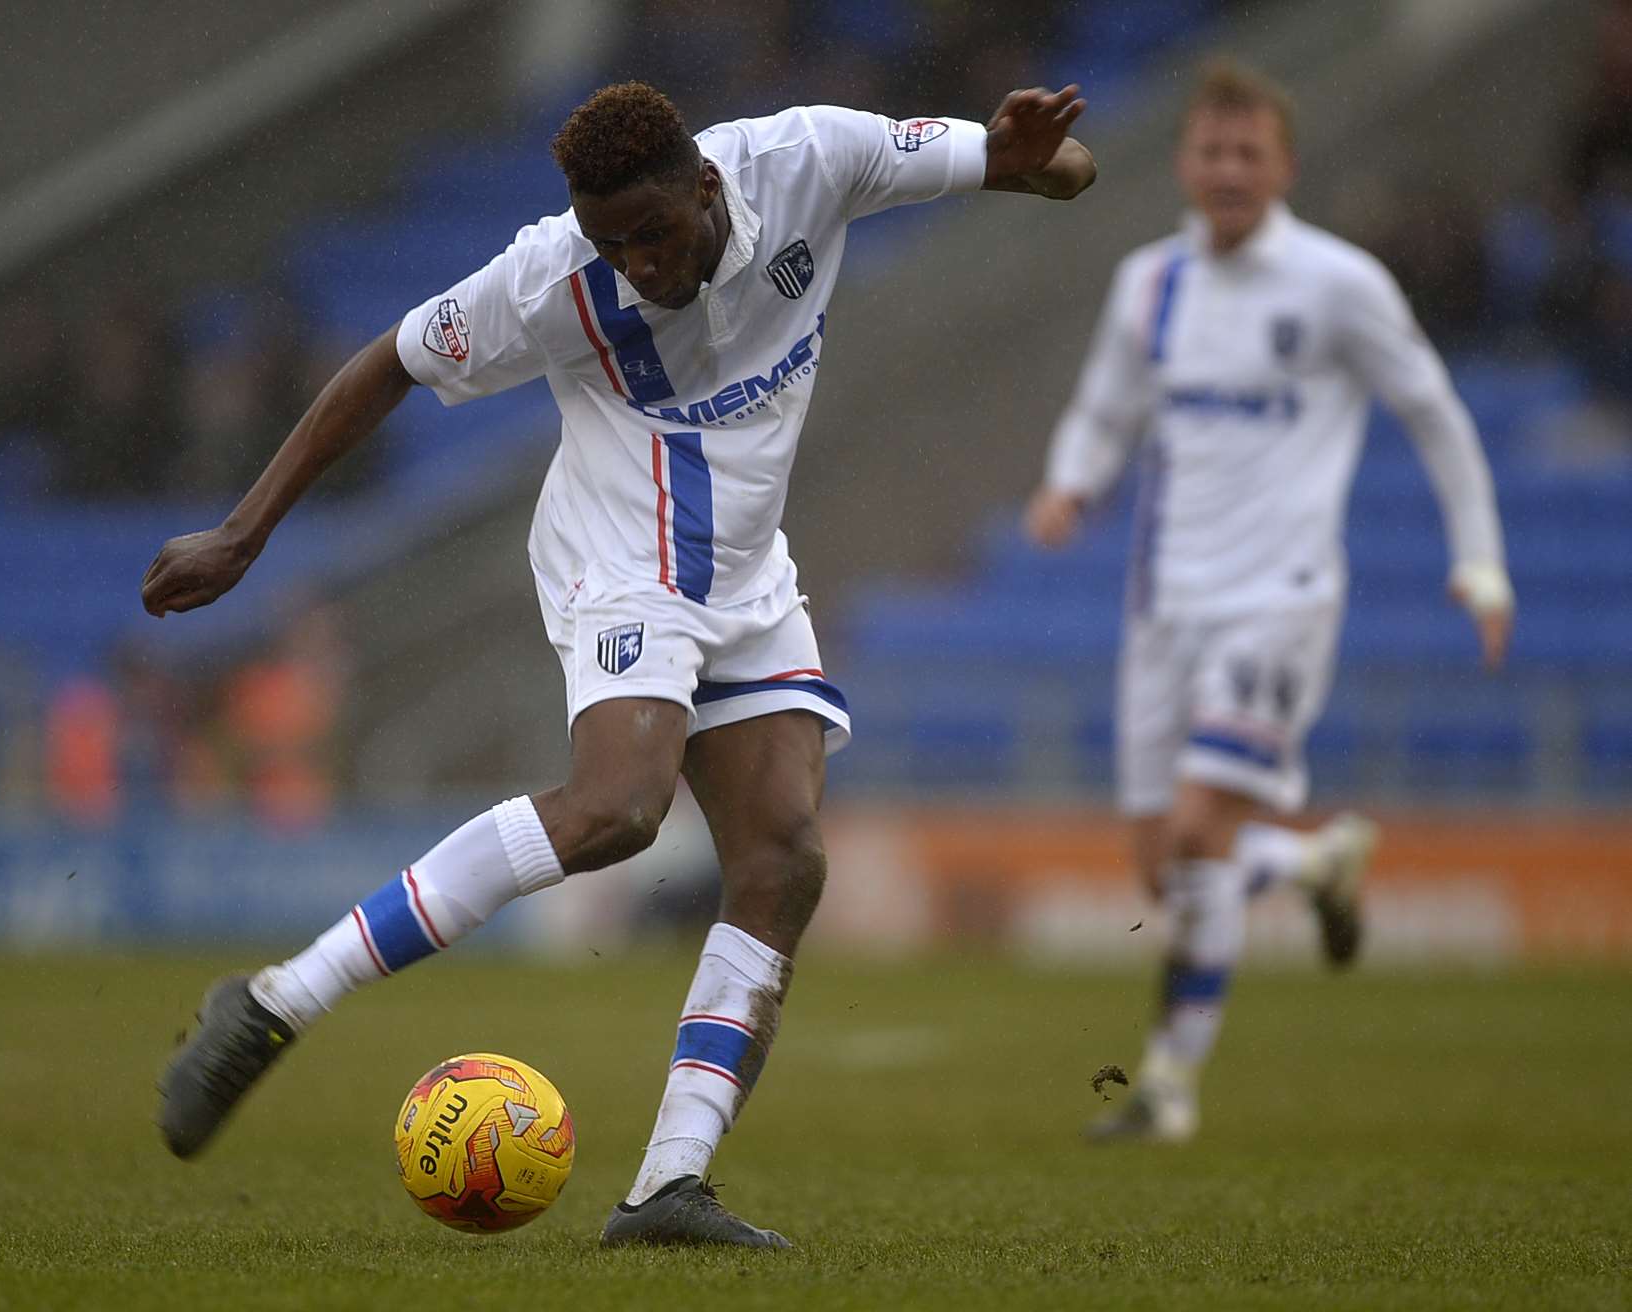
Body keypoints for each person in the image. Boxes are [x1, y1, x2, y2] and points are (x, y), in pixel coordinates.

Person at [143, 80, 1096, 1245]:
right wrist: (244, 531)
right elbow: (384, 363)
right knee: (618, 811)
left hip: (746, 572)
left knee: (782, 861)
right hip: (621, 561)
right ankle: (278, 999)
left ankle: (666, 1187)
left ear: (707, 185)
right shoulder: (549, 282)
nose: (636, 263)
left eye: (652, 233)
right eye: (612, 243)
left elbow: (1042, 167)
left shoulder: (810, 158)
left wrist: (1043, 160)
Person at [1023, 60, 1512, 1144]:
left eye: (1249, 152)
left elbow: (1431, 411)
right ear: (1186, 165)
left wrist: (1480, 563)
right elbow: (1101, 414)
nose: (1228, 169)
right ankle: (1310, 860)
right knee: (1163, 864)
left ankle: (1166, 1087)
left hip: (1277, 597)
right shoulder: (1148, 284)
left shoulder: (1337, 284)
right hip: (1161, 607)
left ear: (1283, 165)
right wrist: (1069, 482)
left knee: (1199, 831)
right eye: (1211, 150)